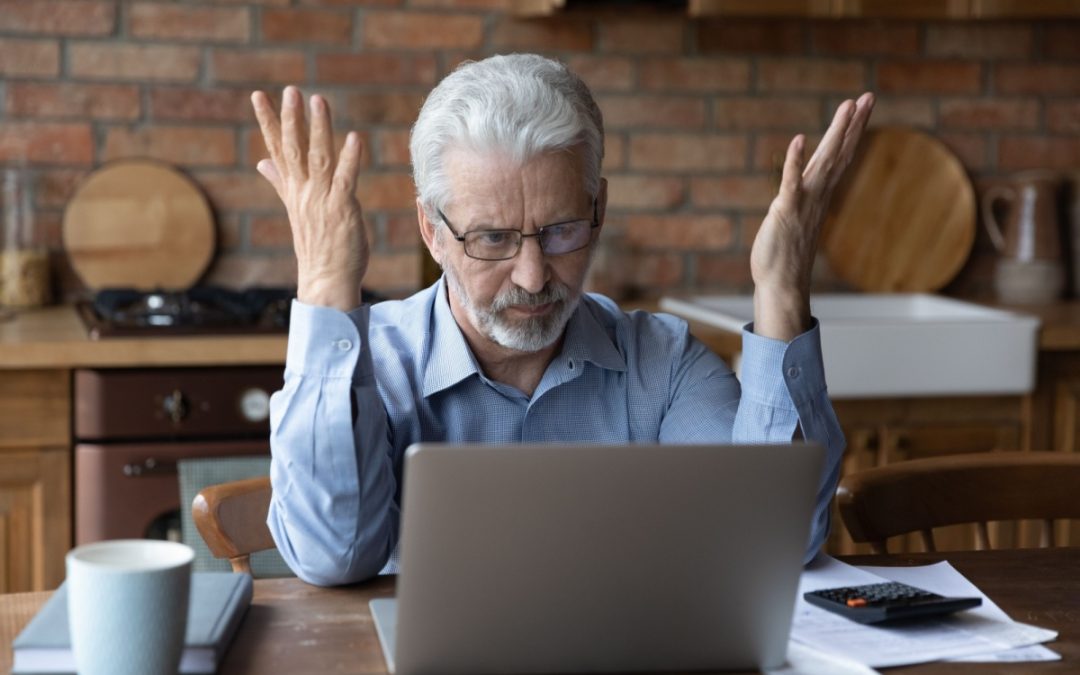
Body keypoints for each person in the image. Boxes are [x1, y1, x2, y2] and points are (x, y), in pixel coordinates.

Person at [251, 53, 874, 586]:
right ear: (432, 231)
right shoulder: (373, 368)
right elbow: (333, 557)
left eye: (560, 231)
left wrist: (783, 289)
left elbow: (771, 540)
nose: (532, 275)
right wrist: (329, 286)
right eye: (492, 238)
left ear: (598, 210)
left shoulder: (662, 364)